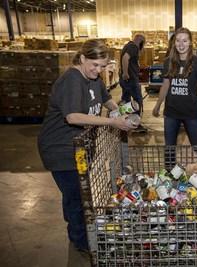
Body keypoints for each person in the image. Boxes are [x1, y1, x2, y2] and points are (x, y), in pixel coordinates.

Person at [37, 39, 138, 252]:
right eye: (95, 65)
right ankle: (83, 241)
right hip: (60, 148)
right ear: (82, 58)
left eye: (103, 66)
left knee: (78, 194)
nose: (99, 70)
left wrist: (121, 113)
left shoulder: (94, 78)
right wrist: (113, 122)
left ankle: (76, 233)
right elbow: (73, 117)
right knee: (76, 197)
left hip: (80, 148)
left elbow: (107, 100)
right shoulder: (72, 81)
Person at [152, 27, 197, 168]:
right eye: (178, 40)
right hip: (171, 113)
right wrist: (157, 105)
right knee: (169, 149)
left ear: (190, 42)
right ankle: (169, 175)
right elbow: (165, 85)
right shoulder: (169, 61)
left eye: (185, 40)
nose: (181, 44)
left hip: (191, 113)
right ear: (174, 43)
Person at [119, 34, 148, 132]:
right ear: (139, 41)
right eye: (143, 44)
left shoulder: (128, 45)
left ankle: (126, 122)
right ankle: (136, 125)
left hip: (127, 80)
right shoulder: (133, 47)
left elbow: (130, 58)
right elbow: (125, 58)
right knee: (137, 101)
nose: (143, 46)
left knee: (126, 101)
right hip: (131, 79)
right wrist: (126, 73)